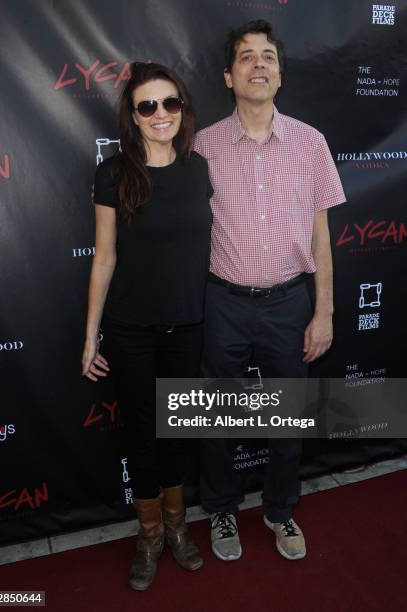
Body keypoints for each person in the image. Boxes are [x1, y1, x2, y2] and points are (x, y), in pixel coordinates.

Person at [194, 20, 346, 562]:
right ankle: (221, 511)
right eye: (246, 57)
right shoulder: (202, 146)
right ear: (229, 76)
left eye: (268, 57)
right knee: (217, 417)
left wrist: (323, 310)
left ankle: (280, 512)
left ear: (279, 73)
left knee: (286, 420)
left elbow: (322, 237)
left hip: (289, 302)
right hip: (223, 303)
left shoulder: (310, 143)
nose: (258, 65)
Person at [82, 62, 213, 590]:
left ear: (183, 108)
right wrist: (90, 334)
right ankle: (149, 534)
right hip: (131, 328)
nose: (162, 114)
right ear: (133, 117)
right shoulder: (113, 174)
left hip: (187, 324)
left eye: (171, 103)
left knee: (177, 432)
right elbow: (104, 257)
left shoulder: (200, 168)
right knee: (140, 431)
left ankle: (180, 529)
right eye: (148, 106)